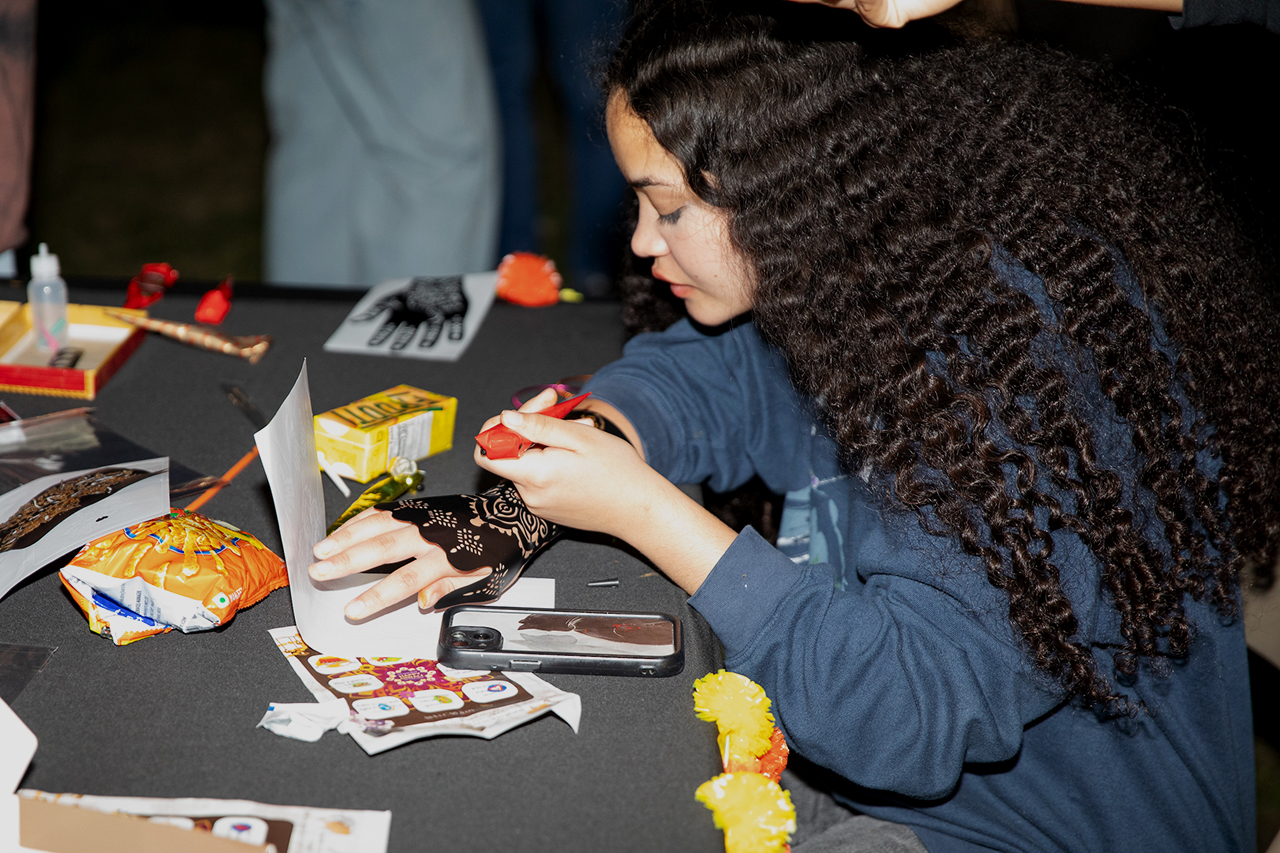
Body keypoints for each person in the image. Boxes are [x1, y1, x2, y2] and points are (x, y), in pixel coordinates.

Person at [308, 2, 1278, 850]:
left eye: (670, 208)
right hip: (845, 764)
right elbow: (717, 376)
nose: (641, 242)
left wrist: (652, 516)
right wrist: (580, 450)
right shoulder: (867, 285)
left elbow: (905, 718)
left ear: (804, 190)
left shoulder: (1028, 385)